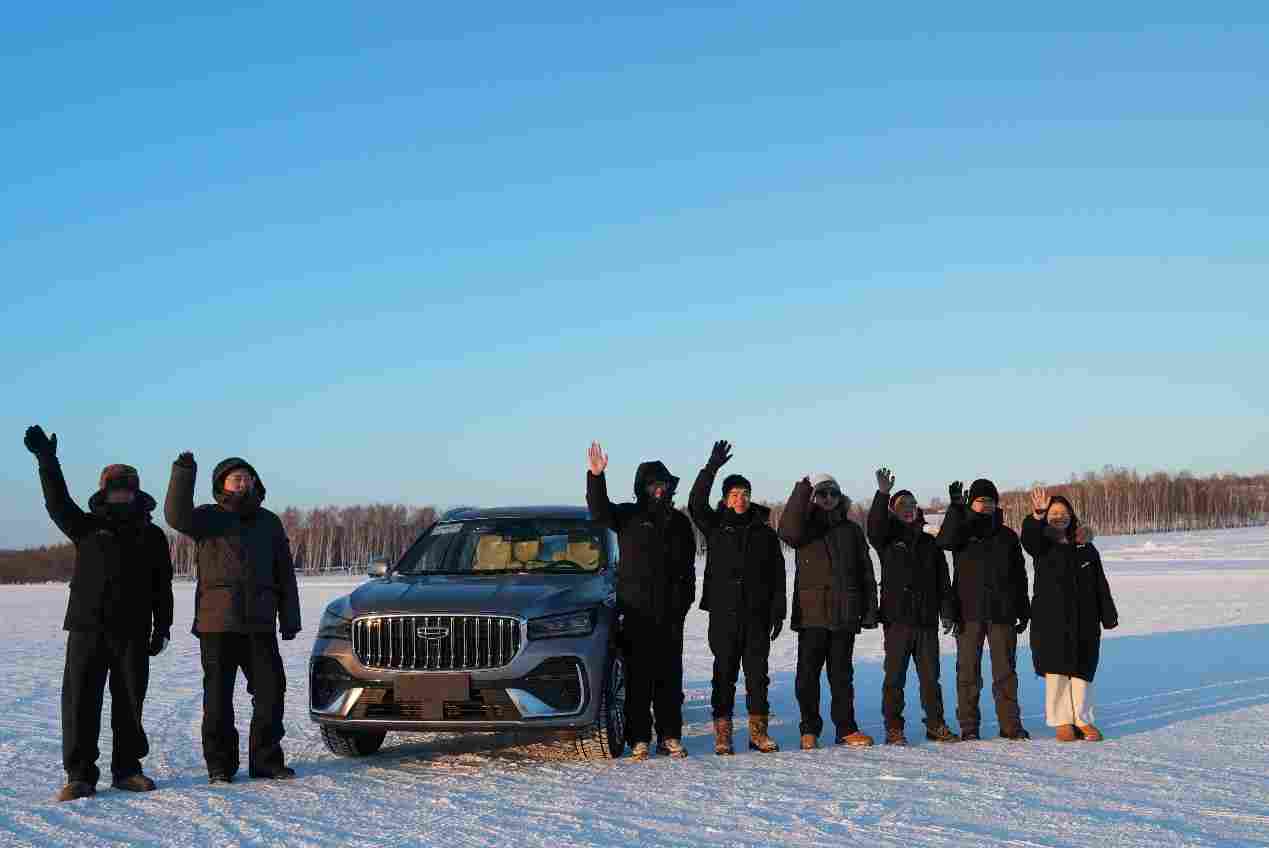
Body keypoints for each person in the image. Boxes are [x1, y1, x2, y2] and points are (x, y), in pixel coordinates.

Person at [24, 426, 174, 802]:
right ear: (105, 490)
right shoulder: (86, 526)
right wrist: (47, 461)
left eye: (127, 486)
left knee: (130, 703)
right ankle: (80, 775)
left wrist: (163, 627)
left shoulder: (152, 535)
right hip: (87, 628)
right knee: (80, 702)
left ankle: (127, 769)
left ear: (136, 491)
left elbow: (162, 585)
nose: (121, 492)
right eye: (115, 486)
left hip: (134, 630)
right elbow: (57, 502)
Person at [165, 453, 301, 783]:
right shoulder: (208, 518)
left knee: (271, 692)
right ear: (221, 485)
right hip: (218, 623)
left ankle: (266, 760)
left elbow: (283, 570)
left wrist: (290, 616)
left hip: (260, 623)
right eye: (235, 478)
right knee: (218, 699)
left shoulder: (269, 521)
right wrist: (184, 474)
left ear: (255, 482)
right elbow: (175, 515)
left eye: (247, 477)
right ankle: (220, 766)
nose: (242, 482)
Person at [585, 442, 696, 761]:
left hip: (670, 614)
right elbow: (598, 510)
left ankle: (670, 736)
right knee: (638, 680)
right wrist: (596, 476)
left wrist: (682, 603)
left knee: (670, 679)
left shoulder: (679, 523)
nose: (658, 489)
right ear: (642, 487)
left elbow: (688, 570)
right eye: (651, 484)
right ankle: (639, 739)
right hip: (635, 612)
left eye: (662, 484)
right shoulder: (628, 515)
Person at [687, 441, 787, 756]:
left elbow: (777, 576)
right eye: (734, 494)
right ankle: (723, 734)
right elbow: (694, 502)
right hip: (724, 615)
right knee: (724, 675)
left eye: (744, 494)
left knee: (758, 677)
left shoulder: (764, 533)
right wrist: (711, 467)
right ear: (725, 499)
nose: (740, 499)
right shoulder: (716, 525)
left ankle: (759, 733)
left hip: (757, 615)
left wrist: (778, 611)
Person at [778, 473, 879, 750]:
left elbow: (866, 573)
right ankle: (809, 729)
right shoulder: (805, 528)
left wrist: (870, 609)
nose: (829, 499)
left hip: (844, 614)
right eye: (822, 494)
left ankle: (846, 728)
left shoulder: (852, 531)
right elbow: (788, 531)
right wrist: (803, 489)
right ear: (813, 498)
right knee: (807, 677)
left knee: (842, 677)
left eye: (834, 494)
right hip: (812, 615)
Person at [867, 468, 959, 745]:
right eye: (901, 505)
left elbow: (943, 580)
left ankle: (936, 724)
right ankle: (894, 727)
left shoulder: (930, 543)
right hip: (897, 620)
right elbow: (874, 526)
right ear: (893, 511)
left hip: (926, 621)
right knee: (894, 678)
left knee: (931, 678)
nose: (907, 509)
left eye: (911, 504)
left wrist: (947, 611)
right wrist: (883, 494)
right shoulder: (886, 540)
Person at [936, 478, 1031, 741]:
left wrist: (1023, 609)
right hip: (968, 612)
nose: (986, 505)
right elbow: (944, 540)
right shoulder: (962, 531)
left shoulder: (1008, 536)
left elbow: (1019, 576)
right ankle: (969, 727)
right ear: (971, 503)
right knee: (967, 672)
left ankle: (1011, 726)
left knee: (1005, 672)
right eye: (980, 500)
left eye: (990, 501)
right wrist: (956, 508)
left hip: (1002, 612)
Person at [1022, 487, 1118, 742]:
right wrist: (1037, 514)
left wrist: (1108, 614)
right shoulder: (1042, 543)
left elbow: (1100, 583)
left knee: (1081, 672)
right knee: (1057, 672)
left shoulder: (1086, 547)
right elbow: (1029, 538)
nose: (1059, 517)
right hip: (1051, 619)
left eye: (1064, 513)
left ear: (1072, 515)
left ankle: (1082, 720)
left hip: (1085, 620)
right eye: (1053, 513)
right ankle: (1062, 721)